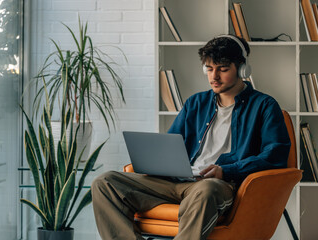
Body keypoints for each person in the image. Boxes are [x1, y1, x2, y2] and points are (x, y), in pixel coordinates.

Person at [91, 34, 291, 240]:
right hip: (177, 182)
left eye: (223, 69)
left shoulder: (264, 106)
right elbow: (170, 146)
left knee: (206, 190)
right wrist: (155, 163)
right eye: (209, 68)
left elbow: (275, 156)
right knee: (105, 182)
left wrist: (226, 171)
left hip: (218, 185)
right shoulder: (195, 103)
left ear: (242, 69)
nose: (214, 76)